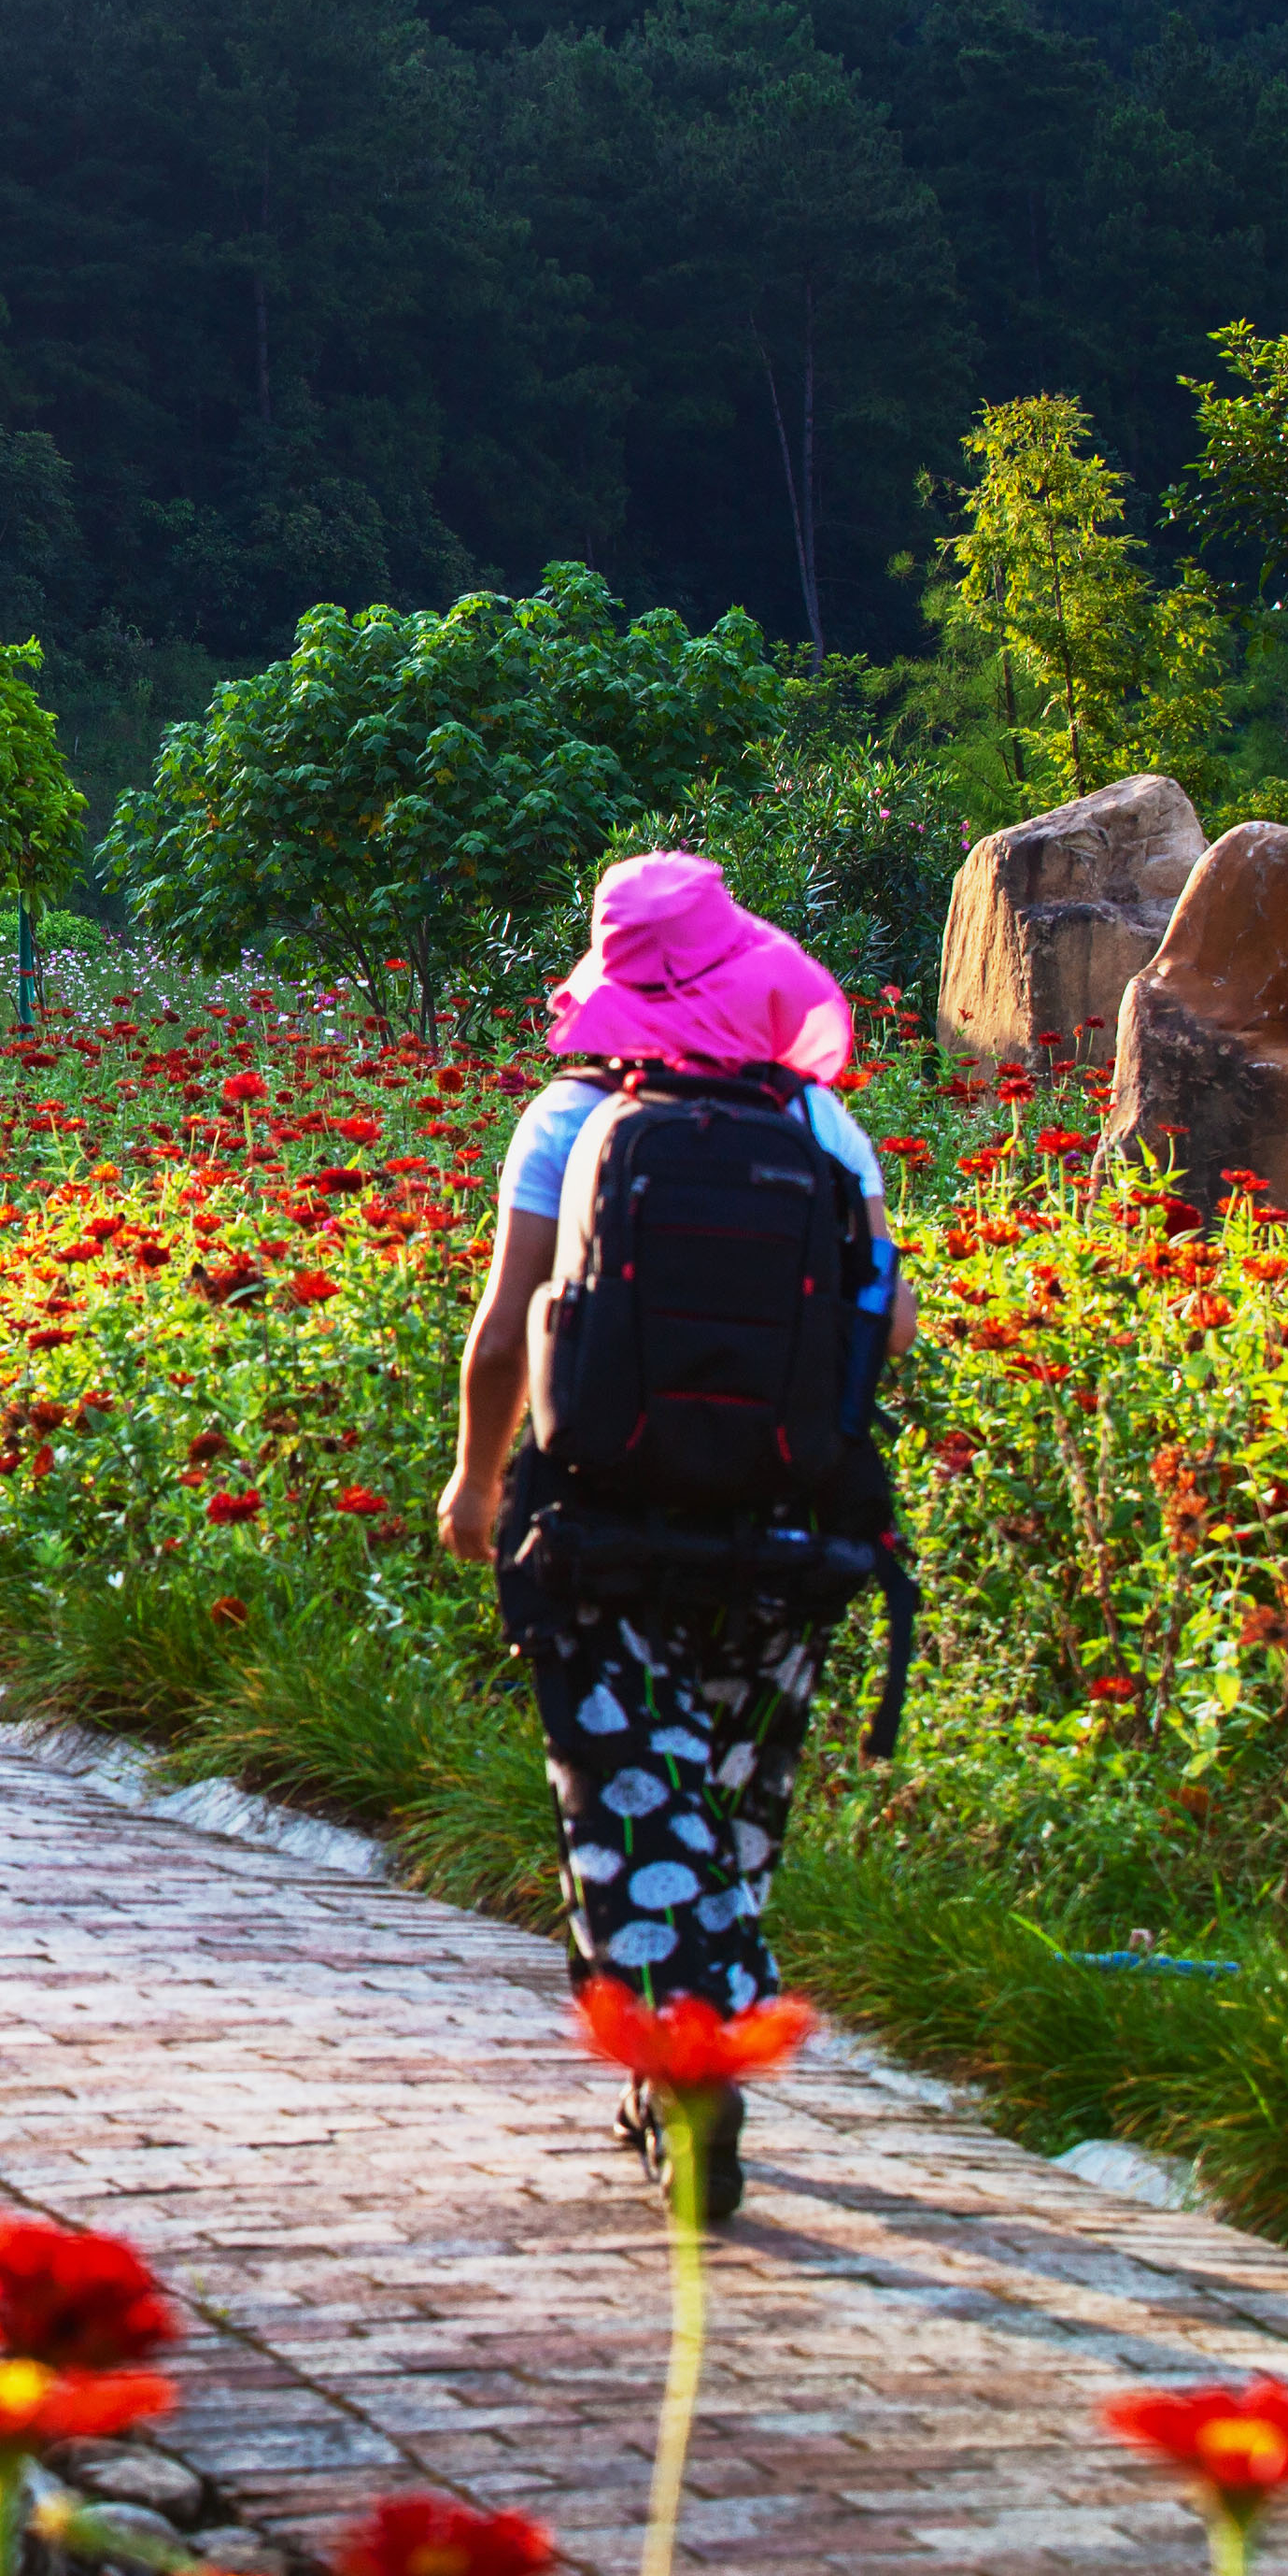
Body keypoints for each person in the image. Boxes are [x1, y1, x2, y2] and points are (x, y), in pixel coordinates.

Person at [435, 852, 916, 2222]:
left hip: (601, 1526)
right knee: (734, 1796)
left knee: (628, 1801)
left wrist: (478, 1485)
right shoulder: (819, 1127)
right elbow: (891, 1321)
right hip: (782, 1526)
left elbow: (505, 1326)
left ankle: (676, 2056)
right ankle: (715, 2033)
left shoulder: (569, 1122)